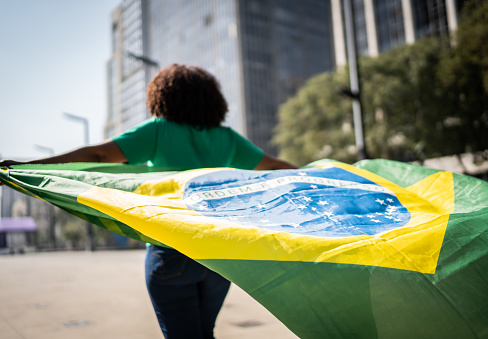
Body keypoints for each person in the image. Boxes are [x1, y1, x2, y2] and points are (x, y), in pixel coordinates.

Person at [0, 63, 297, 339]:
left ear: (162, 97)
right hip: (220, 255)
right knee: (205, 334)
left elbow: (98, 156)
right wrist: (322, 174)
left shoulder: (158, 131)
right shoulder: (228, 139)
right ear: (212, 100)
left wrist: (29, 166)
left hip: (171, 252)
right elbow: (276, 166)